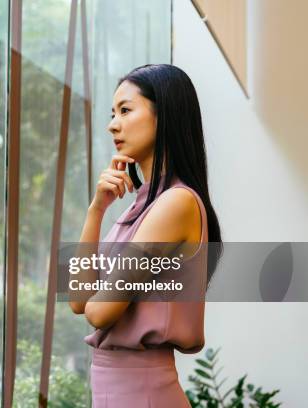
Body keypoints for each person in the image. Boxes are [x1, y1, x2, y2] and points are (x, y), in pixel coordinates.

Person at [69, 64, 222, 407]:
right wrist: (96, 210)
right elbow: (79, 300)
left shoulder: (176, 203)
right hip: (119, 390)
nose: (112, 124)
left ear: (163, 115)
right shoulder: (139, 206)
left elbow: (100, 313)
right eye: (113, 113)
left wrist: (99, 297)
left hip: (144, 392)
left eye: (125, 110)